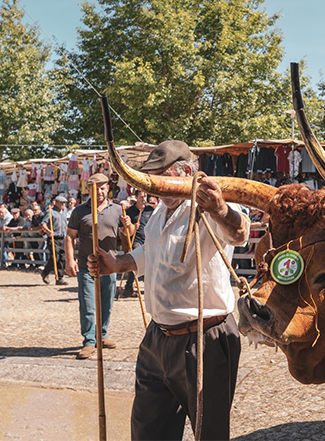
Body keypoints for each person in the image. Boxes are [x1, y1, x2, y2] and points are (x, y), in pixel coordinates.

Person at [88, 140, 250, 441]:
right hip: (157, 338)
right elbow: (149, 254)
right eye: (151, 180)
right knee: (148, 430)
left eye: (161, 177)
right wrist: (115, 263)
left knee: (209, 433)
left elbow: (239, 232)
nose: (155, 188)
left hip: (204, 339)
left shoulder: (210, 205)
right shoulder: (159, 214)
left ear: (187, 171)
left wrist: (220, 209)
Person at [65, 173, 126, 359]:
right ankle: (90, 341)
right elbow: (69, 236)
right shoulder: (79, 211)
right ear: (88, 189)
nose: (98, 191)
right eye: (94, 188)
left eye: (102, 187)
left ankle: (102, 335)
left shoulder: (117, 209)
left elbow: (127, 235)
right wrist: (69, 259)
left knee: (106, 303)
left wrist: (129, 226)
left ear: (108, 188)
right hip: (86, 265)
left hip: (110, 264)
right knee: (88, 304)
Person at [40, 193, 68, 285]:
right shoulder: (50, 212)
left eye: (64, 203)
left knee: (62, 258)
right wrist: (48, 231)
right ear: (56, 203)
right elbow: (43, 223)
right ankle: (45, 273)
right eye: (61, 203)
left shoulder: (64, 211)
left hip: (62, 237)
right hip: (53, 238)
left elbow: (65, 224)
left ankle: (60, 278)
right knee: (55, 257)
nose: (63, 204)